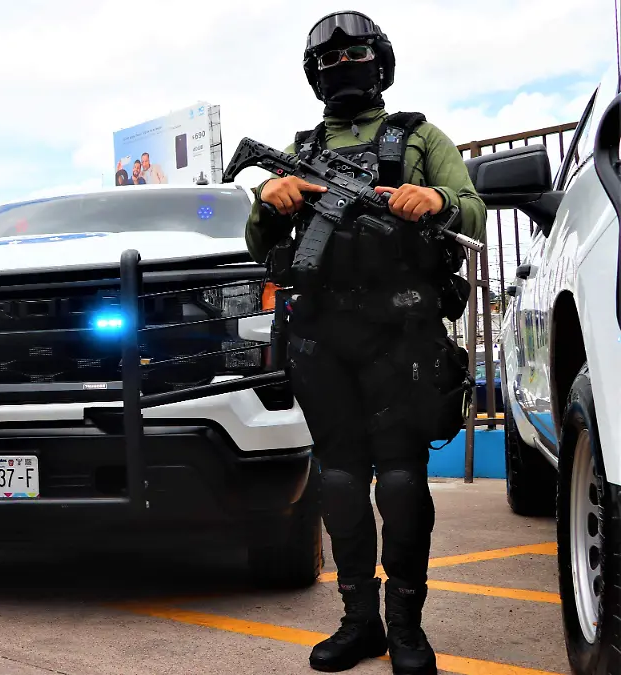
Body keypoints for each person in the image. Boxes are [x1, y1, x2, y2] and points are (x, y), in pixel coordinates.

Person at [243, 11, 486, 675]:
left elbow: (473, 208)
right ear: (314, 75)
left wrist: (432, 200)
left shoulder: (418, 135)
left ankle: (406, 625)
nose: (342, 65)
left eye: (355, 54)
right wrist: (271, 199)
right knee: (342, 482)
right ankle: (360, 622)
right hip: (322, 338)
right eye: (331, 57)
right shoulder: (302, 149)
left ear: (380, 63)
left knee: (402, 483)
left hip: (402, 335)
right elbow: (260, 245)